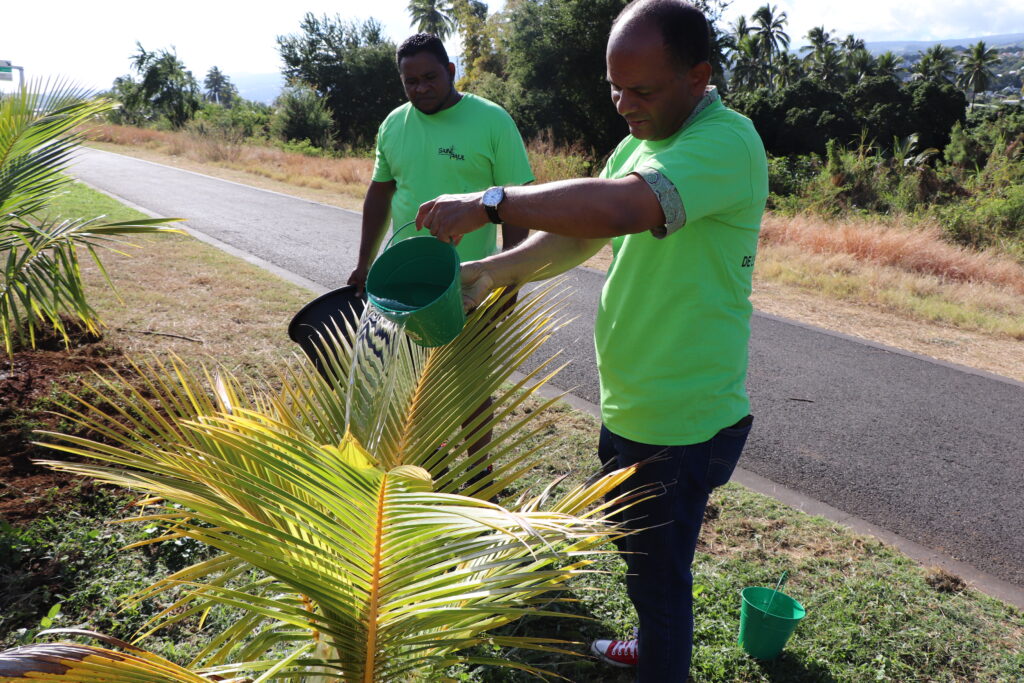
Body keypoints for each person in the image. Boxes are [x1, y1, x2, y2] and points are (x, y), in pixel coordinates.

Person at [414, 1, 768, 679]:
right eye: (614, 86)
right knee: (642, 556)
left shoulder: (726, 143)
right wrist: (489, 271)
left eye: (642, 90)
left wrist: (491, 202)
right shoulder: (642, 140)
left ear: (698, 77)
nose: (622, 104)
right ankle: (648, 638)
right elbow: (583, 233)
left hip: (683, 417)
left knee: (660, 579)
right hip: (633, 400)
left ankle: (660, 659)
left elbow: (620, 207)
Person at [348, 33, 534, 475]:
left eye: (430, 77)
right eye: (410, 81)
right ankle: (432, 468)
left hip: (472, 282)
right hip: (405, 287)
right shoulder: (394, 124)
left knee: (471, 383)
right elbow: (381, 192)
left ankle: (479, 472)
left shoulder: (491, 120)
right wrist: (364, 262)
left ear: (451, 72)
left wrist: (510, 277)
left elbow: (517, 202)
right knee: (413, 386)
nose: (420, 88)